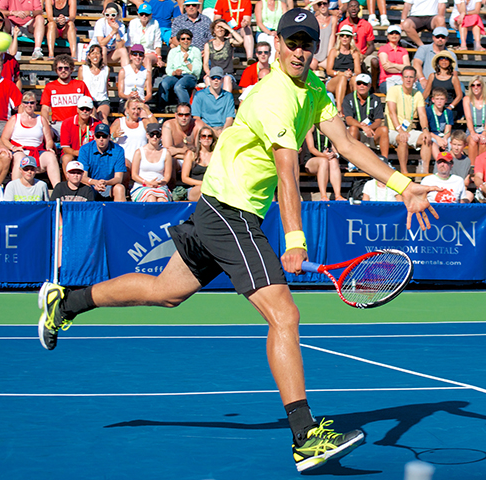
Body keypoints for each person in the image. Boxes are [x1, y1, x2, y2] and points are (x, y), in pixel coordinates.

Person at [36, 9, 439, 476]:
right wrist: (294, 239)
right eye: (292, 41)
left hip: (222, 207)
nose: (300, 50)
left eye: (308, 42)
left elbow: (346, 146)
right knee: (285, 313)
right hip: (232, 210)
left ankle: (66, 302)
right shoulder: (273, 97)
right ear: (279, 42)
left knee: (166, 292)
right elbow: (288, 172)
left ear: (316, 48)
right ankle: (306, 435)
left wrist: (402, 185)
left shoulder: (313, 91)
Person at [1, 90, 60, 188]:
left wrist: (49, 147)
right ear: (22, 104)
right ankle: (16, 190)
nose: (29, 105)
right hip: (20, 150)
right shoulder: (15, 119)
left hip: (37, 150)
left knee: (51, 157)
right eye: (26, 102)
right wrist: (13, 147)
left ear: (36, 104)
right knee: (20, 157)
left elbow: (49, 140)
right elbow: (4, 138)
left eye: (32, 102)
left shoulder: (41, 119)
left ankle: (58, 191)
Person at [386, 66, 431, 173]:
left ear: (415, 79)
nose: (408, 79)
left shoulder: (417, 94)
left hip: (408, 131)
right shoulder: (394, 90)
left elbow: (422, 115)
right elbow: (392, 112)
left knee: (426, 138)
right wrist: (400, 130)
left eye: (411, 77)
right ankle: (404, 172)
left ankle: (424, 172)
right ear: (402, 78)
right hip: (393, 130)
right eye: (406, 77)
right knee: (402, 139)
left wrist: (425, 130)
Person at [41, 54, 90, 138]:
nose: (63, 70)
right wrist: (46, 124)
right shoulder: (50, 86)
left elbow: (90, 104)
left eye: (66, 68)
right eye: (60, 68)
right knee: (44, 134)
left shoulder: (80, 85)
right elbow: (45, 108)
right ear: (56, 70)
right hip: (57, 125)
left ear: (71, 69)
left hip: (77, 123)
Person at [343, 73, 389, 158]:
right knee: (353, 129)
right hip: (357, 132)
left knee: (384, 129)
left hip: (371, 131)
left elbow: (378, 120)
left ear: (370, 85)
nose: (361, 86)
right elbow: (349, 120)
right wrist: (362, 127)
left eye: (365, 84)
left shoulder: (375, 99)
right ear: (355, 85)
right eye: (359, 83)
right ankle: (353, 160)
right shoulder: (348, 98)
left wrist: (369, 128)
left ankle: (384, 159)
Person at [78, 123, 127, 202]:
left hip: (109, 185)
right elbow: (83, 176)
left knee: (120, 188)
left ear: (109, 137)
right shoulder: (85, 149)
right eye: (98, 136)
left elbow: (118, 178)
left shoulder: (118, 150)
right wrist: (95, 182)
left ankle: (119, 213)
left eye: (104, 136)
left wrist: (106, 182)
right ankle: (88, 213)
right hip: (91, 185)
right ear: (94, 137)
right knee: (85, 187)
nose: (101, 139)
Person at [159, 29, 202, 111]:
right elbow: (168, 69)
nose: (186, 41)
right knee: (164, 83)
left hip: (189, 76)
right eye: (183, 39)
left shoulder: (195, 51)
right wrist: (174, 72)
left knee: (179, 86)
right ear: (179, 40)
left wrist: (186, 62)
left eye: (188, 39)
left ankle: (187, 110)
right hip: (176, 75)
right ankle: (162, 110)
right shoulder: (173, 51)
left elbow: (197, 71)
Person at [111, 98, 155, 177]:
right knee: (125, 166)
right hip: (124, 160)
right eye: (133, 109)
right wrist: (114, 136)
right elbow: (108, 139)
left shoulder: (143, 122)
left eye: (138, 109)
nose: (136, 111)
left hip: (141, 161)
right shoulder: (119, 122)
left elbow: (155, 126)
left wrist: (146, 109)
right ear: (127, 110)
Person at [337, 0, 377, 89]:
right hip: (348, 54)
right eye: (351, 6)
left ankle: (374, 87)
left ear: (359, 9)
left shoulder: (366, 25)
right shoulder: (343, 25)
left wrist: (363, 55)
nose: (353, 8)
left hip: (363, 54)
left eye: (355, 6)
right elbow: (340, 43)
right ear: (347, 9)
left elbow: (371, 45)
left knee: (374, 61)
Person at [130, 122, 173, 202]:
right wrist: (147, 183)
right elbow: (134, 175)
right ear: (147, 135)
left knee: (162, 200)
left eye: (158, 135)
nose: (155, 137)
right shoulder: (139, 152)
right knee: (151, 198)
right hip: (142, 185)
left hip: (160, 186)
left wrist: (160, 182)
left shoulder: (166, 153)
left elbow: (167, 176)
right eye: (152, 134)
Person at [325, 25, 361, 115]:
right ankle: (339, 109)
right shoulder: (334, 51)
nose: (344, 37)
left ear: (351, 38)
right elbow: (328, 70)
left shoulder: (354, 53)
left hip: (349, 78)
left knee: (355, 79)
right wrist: (341, 73)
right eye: (342, 35)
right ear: (339, 37)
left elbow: (358, 71)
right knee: (342, 78)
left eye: (347, 36)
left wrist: (350, 74)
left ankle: (356, 107)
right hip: (334, 79)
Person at [60, 95, 100, 174]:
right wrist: (78, 153)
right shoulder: (67, 123)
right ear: (77, 109)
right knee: (67, 158)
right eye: (82, 109)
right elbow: (65, 148)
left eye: (88, 109)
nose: (84, 111)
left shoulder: (97, 124)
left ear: (92, 111)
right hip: (73, 153)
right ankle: (69, 184)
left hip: (91, 154)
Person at [301, 126, 344, 200]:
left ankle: (338, 195)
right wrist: (323, 155)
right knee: (323, 161)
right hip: (311, 160)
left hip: (326, 158)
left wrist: (334, 154)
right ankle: (323, 195)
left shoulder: (331, 129)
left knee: (334, 161)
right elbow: (311, 148)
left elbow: (335, 148)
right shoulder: (311, 128)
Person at [191, 66, 235, 136]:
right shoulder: (200, 95)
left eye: (219, 78)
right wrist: (212, 131)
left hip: (223, 129)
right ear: (209, 79)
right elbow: (196, 118)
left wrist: (223, 132)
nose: (216, 80)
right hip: (205, 128)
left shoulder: (228, 96)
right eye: (213, 78)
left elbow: (229, 118)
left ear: (223, 80)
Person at [412, 27, 458, 92]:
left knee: (460, 87)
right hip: (426, 80)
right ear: (433, 37)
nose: (440, 39)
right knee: (422, 87)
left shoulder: (452, 54)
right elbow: (416, 64)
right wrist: (422, 79)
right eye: (437, 36)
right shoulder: (423, 49)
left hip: (445, 82)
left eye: (443, 37)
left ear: (447, 38)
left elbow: (454, 72)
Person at [202, 19, 243, 92]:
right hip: (215, 75)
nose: (220, 29)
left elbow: (240, 41)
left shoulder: (229, 42)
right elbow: (205, 64)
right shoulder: (208, 45)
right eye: (218, 27)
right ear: (214, 30)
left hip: (227, 75)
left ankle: (225, 101)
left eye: (222, 27)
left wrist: (229, 28)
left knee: (227, 79)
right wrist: (208, 72)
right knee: (208, 79)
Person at [422, 51, 464, 120]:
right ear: (438, 62)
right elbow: (426, 92)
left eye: (446, 59)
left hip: (448, 106)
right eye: (441, 58)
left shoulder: (454, 78)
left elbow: (459, 95)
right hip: (434, 106)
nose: (444, 61)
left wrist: (450, 107)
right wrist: (420, 102)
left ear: (450, 62)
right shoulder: (432, 76)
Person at [177, 125, 215, 201]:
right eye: (204, 136)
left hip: (211, 187)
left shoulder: (215, 154)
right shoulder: (191, 154)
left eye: (209, 136)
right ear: (200, 139)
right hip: (194, 188)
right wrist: (202, 183)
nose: (206, 138)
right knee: (203, 190)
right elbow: (184, 178)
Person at [77, 44, 110, 125]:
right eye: (93, 53)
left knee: (102, 116)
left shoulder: (106, 70)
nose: (95, 56)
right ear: (88, 56)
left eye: (97, 53)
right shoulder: (83, 69)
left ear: (101, 56)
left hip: (102, 100)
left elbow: (106, 87)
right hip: (88, 99)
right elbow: (80, 86)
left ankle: (107, 136)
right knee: (92, 116)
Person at [89, 2, 129, 67]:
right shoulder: (100, 23)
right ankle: (103, 72)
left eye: (113, 15)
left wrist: (117, 32)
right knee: (103, 48)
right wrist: (113, 31)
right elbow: (101, 43)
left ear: (117, 15)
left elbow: (120, 46)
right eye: (107, 15)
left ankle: (127, 75)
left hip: (109, 54)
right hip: (96, 53)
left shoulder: (121, 26)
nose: (110, 17)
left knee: (123, 51)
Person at [117, 44, 153, 111]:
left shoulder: (146, 73)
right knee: (130, 111)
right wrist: (128, 96)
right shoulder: (123, 71)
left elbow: (149, 94)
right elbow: (120, 93)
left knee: (145, 111)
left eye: (140, 55)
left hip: (140, 101)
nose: (138, 57)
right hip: (126, 101)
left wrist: (143, 100)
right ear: (130, 56)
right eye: (135, 54)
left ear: (143, 57)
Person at [128, 3, 164, 71]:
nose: (144, 16)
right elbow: (129, 42)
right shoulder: (133, 23)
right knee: (133, 60)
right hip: (135, 52)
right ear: (138, 14)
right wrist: (131, 56)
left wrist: (159, 58)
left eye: (146, 14)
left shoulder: (155, 23)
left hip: (150, 52)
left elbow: (157, 43)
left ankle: (148, 81)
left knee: (146, 60)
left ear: (150, 15)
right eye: (142, 14)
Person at [378, 25, 410, 94]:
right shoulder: (383, 48)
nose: (394, 35)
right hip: (386, 80)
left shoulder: (403, 50)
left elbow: (407, 68)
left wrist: (393, 64)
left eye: (396, 33)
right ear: (388, 35)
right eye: (391, 33)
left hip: (402, 80)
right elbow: (386, 68)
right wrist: (401, 69)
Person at [425, 87, 453, 161]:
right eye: (437, 99)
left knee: (452, 143)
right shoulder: (428, 111)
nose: (439, 101)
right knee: (433, 144)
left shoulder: (448, 112)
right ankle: (440, 162)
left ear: (446, 100)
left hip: (443, 136)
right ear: (433, 100)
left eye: (442, 99)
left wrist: (445, 139)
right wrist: (438, 139)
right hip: (432, 135)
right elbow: (426, 130)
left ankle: (450, 162)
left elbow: (448, 130)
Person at [463, 75, 486, 163]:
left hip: (484, 128)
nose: (475, 87)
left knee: (483, 141)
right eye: (473, 85)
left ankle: (482, 168)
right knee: (473, 141)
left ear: (482, 86)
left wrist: (484, 133)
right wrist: (472, 132)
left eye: (478, 85)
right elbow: (468, 118)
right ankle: (473, 168)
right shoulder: (467, 99)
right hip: (472, 128)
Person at [309, 0, 336, 72]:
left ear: (329, 4)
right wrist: (312, 3)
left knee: (331, 64)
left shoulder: (333, 19)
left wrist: (329, 56)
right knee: (313, 64)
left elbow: (332, 37)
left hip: (326, 54)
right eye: (319, 4)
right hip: (314, 54)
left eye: (324, 3)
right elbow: (301, 12)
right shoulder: (314, 19)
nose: (322, 6)